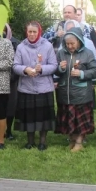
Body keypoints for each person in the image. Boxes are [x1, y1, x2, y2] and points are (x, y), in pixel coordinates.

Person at [13, 21, 58, 151]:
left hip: (44, 87)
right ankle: (30, 141)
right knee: (29, 117)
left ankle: (43, 141)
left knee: (43, 117)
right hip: (26, 87)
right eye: (29, 32)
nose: (32, 34)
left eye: (34, 32)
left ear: (39, 32)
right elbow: (15, 65)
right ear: (26, 32)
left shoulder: (47, 45)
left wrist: (42, 69)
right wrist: (25, 69)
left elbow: (54, 65)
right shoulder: (21, 46)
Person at [55, 26, 96, 152]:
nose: (69, 46)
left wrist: (81, 74)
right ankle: (72, 140)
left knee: (80, 120)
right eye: (67, 43)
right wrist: (60, 68)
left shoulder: (87, 53)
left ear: (79, 41)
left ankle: (79, 142)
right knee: (69, 118)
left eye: (72, 43)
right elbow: (56, 71)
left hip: (82, 93)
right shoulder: (61, 53)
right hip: (65, 92)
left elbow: (95, 71)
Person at [3, 24, 19, 140]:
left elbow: (17, 61)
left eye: (4, 30)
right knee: (0, 105)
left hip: (12, 79)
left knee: (10, 105)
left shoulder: (16, 43)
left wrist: (12, 76)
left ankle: (8, 130)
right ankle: (1, 129)